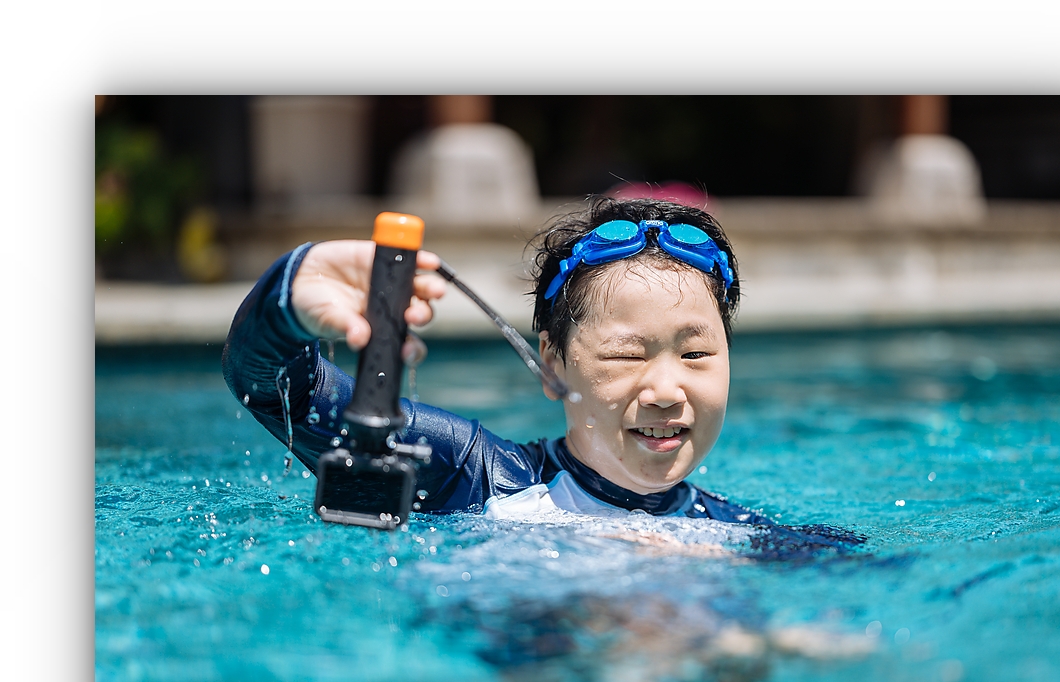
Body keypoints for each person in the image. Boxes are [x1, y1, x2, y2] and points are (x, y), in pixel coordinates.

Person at [223, 196, 862, 553]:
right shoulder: (476, 477)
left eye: (696, 355)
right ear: (552, 360)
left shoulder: (745, 539)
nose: (667, 391)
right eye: (627, 355)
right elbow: (275, 388)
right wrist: (288, 295)